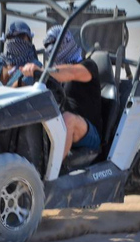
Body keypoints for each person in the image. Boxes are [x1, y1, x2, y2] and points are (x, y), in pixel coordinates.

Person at [21, 25, 102, 160]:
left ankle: (53, 172)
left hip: (88, 132)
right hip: (63, 127)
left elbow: (70, 72)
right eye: (48, 46)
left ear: (67, 43)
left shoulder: (88, 66)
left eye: (55, 45)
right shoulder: (55, 74)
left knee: (68, 119)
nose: (50, 50)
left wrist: (41, 71)